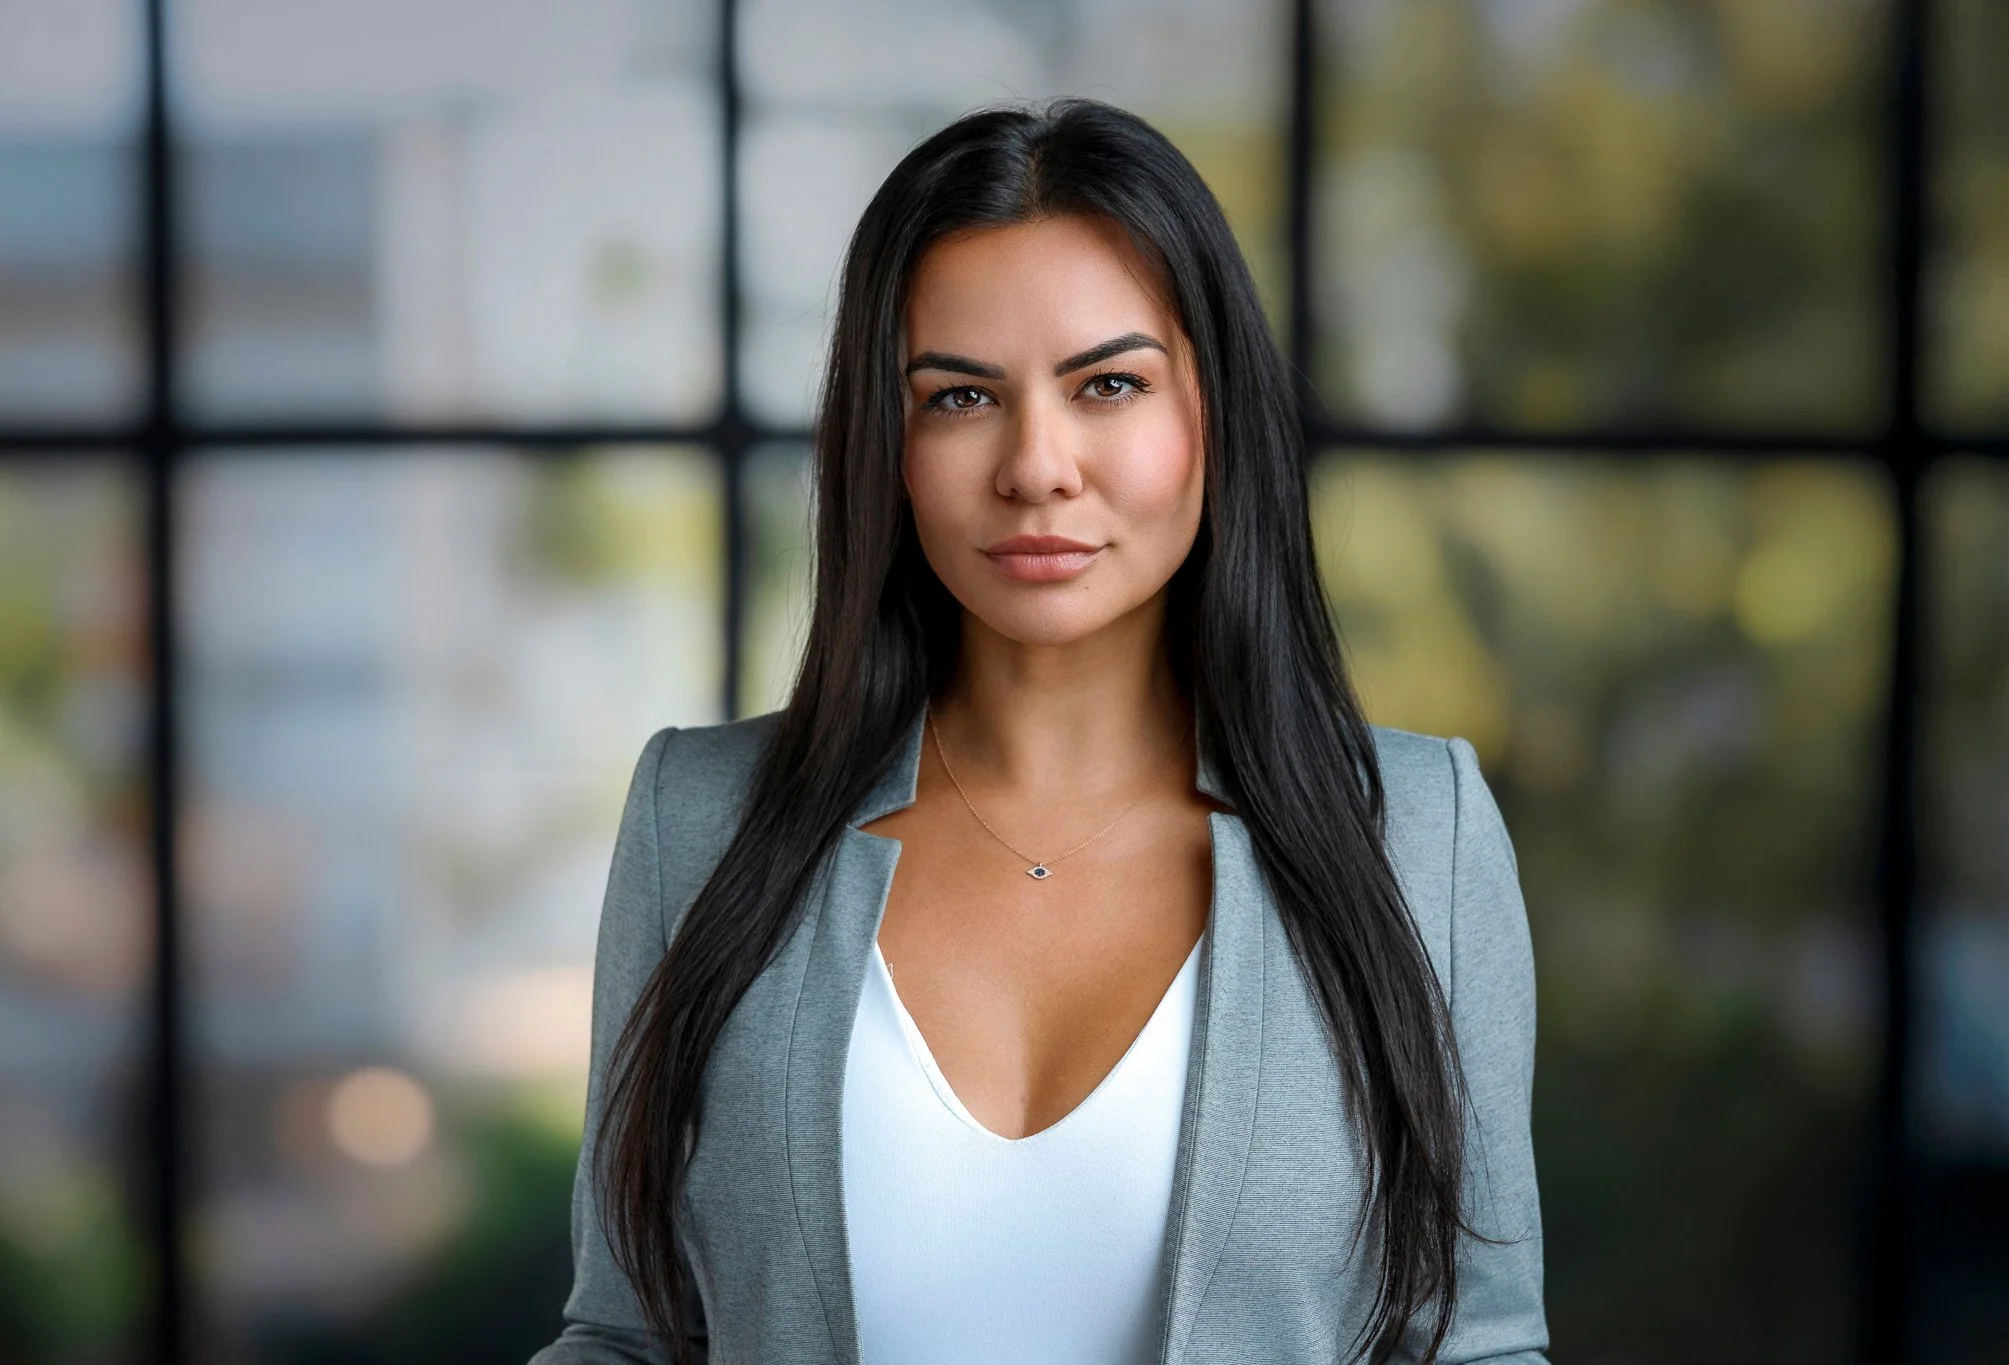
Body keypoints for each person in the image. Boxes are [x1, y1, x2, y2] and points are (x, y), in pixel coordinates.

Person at [530, 98, 1545, 1365]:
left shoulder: (1418, 835)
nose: (1037, 466)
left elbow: (1478, 1346)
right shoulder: (700, 818)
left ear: (1211, 417)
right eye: (959, 398)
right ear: (883, 444)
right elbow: (625, 1335)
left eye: (1109, 384)